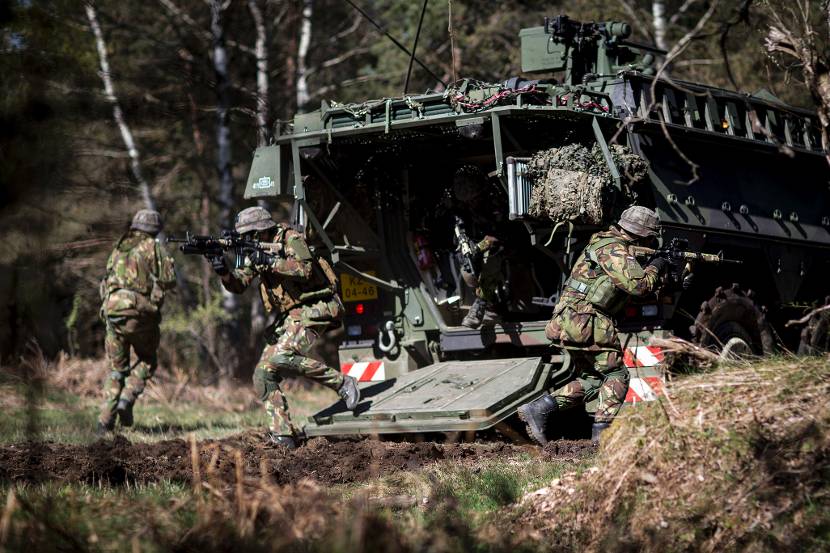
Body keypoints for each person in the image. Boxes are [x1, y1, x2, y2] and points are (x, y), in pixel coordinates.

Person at [208, 206, 360, 449]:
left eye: (251, 235)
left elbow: (305, 269)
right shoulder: (253, 251)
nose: (249, 241)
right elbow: (238, 286)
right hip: (293, 315)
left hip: (317, 306)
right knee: (263, 373)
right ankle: (283, 435)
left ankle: (342, 382)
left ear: (261, 231)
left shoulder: (291, 238)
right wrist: (224, 271)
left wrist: (269, 261)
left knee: (283, 356)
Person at [517, 206, 669, 444]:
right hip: (586, 320)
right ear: (643, 234)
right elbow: (639, 286)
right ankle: (602, 439)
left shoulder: (607, 244)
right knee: (617, 375)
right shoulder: (614, 249)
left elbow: (632, 290)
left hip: (573, 319)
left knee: (594, 380)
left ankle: (539, 409)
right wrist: (656, 266)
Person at [98, 209, 176, 433]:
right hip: (139, 314)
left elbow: (106, 278)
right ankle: (127, 398)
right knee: (148, 359)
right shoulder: (152, 246)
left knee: (116, 369)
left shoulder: (120, 246)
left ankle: (104, 422)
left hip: (112, 312)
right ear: (155, 229)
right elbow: (169, 279)